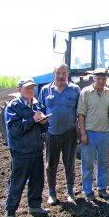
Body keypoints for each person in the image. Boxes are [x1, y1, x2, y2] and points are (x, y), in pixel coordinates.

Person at [5, 78, 49, 217]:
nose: (30, 91)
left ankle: (35, 206)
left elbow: (40, 128)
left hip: (36, 149)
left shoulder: (36, 104)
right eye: (27, 88)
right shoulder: (13, 106)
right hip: (21, 152)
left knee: (37, 181)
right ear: (19, 89)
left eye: (32, 88)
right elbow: (15, 129)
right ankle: (11, 212)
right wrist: (32, 119)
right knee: (17, 183)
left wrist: (43, 123)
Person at [38, 63, 81, 205]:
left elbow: (80, 112)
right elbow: (40, 109)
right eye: (58, 73)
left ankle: (70, 192)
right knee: (51, 164)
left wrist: (80, 131)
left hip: (70, 133)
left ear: (68, 74)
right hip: (52, 133)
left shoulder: (75, 90)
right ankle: (52, 193)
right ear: (54, 73)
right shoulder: (45, 90)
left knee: (69, 164)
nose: (61, 76)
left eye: (64, 73)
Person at [77, 68, 109, 201]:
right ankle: (87, 190)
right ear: (94, 78)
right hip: (90, 133)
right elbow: (81, 113)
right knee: (88, 163)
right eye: (99, 78)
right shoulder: (85, 92)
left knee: (104, 163)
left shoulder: (108, 92)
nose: (101, 81)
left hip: (105, 133)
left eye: (104, 79)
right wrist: (83, 134)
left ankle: (102, 188)